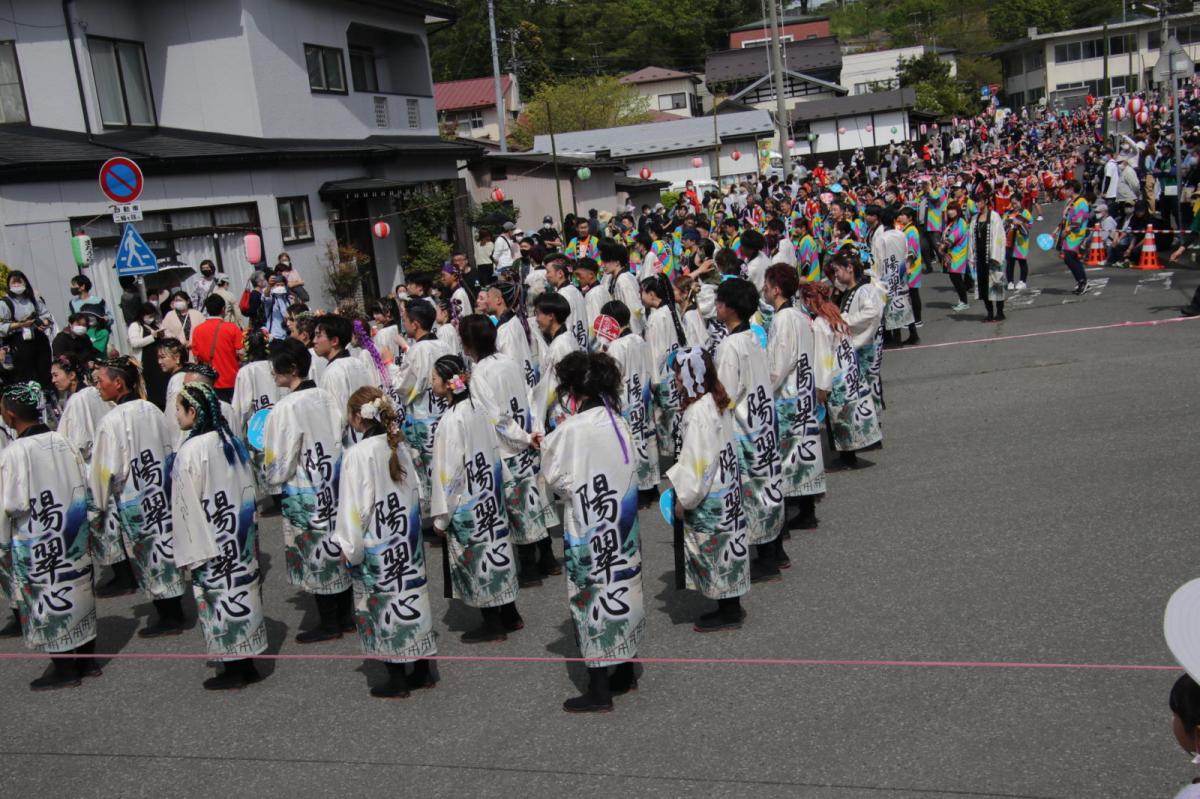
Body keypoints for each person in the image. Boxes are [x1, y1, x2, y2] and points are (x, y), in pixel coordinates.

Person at [541, 351, 645, 712]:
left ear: (572, 389)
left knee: (592, 595)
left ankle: (599, 687)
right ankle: (626, 669)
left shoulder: (569, 430)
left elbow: (554, 479)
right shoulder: (619, 421)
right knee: (623, 585)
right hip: (621, 522)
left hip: (588, 524)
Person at [329, 387, 436, 698]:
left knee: (382, 603)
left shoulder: (357, 454)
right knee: (412, 595)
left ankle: (396, 677)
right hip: (405, 536)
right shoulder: (397, 445)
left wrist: (349, 547)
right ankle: (421, 669)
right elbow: (418, 490)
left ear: (356, 419)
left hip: (379, 542)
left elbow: (353, 507)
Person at [0, 381, 99, 690]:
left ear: (9, 413)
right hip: (70, 533)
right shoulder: (62, 440)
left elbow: (10, 505)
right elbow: (85, 483)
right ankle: (87, 660)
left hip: (38, 539)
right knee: (78, 589)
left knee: (48, 598)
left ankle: (65, 669)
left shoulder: (15, 452)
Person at [171, 382, 267, 690]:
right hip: (237, 534)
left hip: (211, 538)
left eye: (178, 408)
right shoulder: (231, 441)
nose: (175, 415)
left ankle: (233, 668)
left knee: (219, 599)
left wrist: (188, 551)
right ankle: (248, 662)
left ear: (193, 412)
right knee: (243, 592)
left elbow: (185, 506)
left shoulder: (191, 450)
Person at [261, 338, 352, 643]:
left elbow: (279, 461)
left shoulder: (286, 407)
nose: (273, 374)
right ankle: (344, 615)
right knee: (338, 542)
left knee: (316, 550)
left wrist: (270, 471)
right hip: (333, 479)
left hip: (305, 486)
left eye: (277, 368)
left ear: (292, 368)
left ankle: (329, 622)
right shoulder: (325, 396)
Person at [90, 356, 187, 635]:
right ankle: (174, 607)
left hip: (136, 497)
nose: (98, 386)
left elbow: (101, 471)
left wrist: (96, 504)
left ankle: (168, 615)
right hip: (161, 490)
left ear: (118, 383)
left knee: (148, 550)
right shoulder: (151, 409)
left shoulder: (112, 420)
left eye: (101, 381)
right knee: (166, 546)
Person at [429, 354, 522, 642]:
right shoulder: (478, 408)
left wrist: (442, 517)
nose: (431, 383)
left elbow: (450, 472)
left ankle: (493, 623)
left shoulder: (451, 420)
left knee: (478, 557)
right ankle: (510, 614)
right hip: (488, 493)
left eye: (433, 379)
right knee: (497, 551)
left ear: (447, 384)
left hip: (468, 501)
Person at [458, 315, 557, 587]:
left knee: (518, 506)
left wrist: (522, 435)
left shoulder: (479, 374)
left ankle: (529, 565)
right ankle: (547, 556)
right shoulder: (509, 362)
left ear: (468, 344)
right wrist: (532, 432)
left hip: (507, 446)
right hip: (527, 438)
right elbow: (529, 395)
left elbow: (495, 417)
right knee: (534, 498)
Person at [666, 347, 749, 632]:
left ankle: (728, 611)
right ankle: (731, 605)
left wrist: (683, 500)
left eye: (679, 374)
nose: (676, 380)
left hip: (710, 492)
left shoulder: (698, 411)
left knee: (713, 549)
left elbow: (696, 462)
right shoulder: (716, 398)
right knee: (728, 547)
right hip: (726, 486)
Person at [714, 278, 785, 582]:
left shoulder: (730, 345)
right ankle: (776, 551)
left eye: (718, 302)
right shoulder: (752, 336)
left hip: (744, 427)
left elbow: (726, 394)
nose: (715, 307)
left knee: (753, 492)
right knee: (767, 487)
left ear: (729, 308)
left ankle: (766, 559)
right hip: (763, 420)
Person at [764, 264, 824, 532]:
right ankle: (806, 509)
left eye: (766, 285)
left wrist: (765, 387)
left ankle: (791, 511)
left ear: (776, 289)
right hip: (803, 390)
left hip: (788, 395)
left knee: (787, 453)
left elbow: (779, 363)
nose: (763, 290)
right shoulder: (799, 316)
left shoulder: (783, 318)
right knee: (802, 450)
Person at [805, 282, 881, 470]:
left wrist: (821, 387)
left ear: (809, 300)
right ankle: (850, 455)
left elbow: (823, 358)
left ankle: (847, 458)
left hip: (836, 375)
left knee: (839, 417)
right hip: (849, 370)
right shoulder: (835, 314)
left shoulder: (821, 323)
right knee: (848, 414)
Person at [595, 301, 658, 502]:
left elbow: (611, 378)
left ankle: (636, 488)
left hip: (625, 399)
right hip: (642, 394)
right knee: (645, 438)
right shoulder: (638, 339)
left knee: (629, 442)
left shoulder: (616, 346)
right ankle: (649, 485)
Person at [392, 300, 451, 509]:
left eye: (405, 320)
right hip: (445, 409)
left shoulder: (417, 350)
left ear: (415, 324)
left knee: (430, 464)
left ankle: (438, 511)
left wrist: (391, 366)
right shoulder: (443, 344)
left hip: (423, 416)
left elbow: (402, 385)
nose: (403, 324)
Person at [642, 274, 686, 461]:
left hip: (664, 375)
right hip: (677, 371)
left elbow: (655, 353)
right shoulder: (671, 309)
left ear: (652, 294)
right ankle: (681, 453)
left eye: (642, 293)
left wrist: (654, 380)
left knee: (668, 419)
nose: (640, 297)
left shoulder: (656, 317)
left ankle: (676, 456)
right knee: (679, 414)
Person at [313, 315, 374, 447]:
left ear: (334, 341)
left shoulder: (333, 372)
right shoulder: (357, 362)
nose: (314, 341)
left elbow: (337, 419)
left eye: (318, 336)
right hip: (370, 433)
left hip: (352, 443)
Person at [532, 292, 582, 433]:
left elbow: (555, 385)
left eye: (537, 314)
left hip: (564, 413)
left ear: (550, 316)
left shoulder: (560, 345)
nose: (536, 319)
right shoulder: (567, 338)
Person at [52, 354, 112, 464]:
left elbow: (80, 442)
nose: (53, 380)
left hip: (92, 462)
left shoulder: (77, 399)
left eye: (56, 375)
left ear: (72, 375)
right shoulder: (94, 391)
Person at [868, 207, 914, 346]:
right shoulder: (901, 234)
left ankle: (896, 338)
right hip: (900, 273)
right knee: (903, 302)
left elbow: (877, 259)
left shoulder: (881, 238)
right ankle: (909, 334)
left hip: (887, 275)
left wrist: (874, 277)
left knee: (890, 305)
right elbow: (906, 253)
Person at [0, 270, 53, 390]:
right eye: (14, 283)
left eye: (20, 282)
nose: (17, 286)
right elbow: (1, 327)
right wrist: (20, 324)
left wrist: (43, 323)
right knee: (24, 375)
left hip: (38, 338)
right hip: (18, 341)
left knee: (44, 373)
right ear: (8, 285)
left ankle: (47, 396)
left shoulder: (33, 300)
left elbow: (47, 316)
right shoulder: (5, 303)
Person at [189, 295, 242, 402]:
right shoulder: (232, 328)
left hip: (210, 381)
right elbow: (241, 353)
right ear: (223, 309)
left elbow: (196, 358)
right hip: (231, 379)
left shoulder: (197, 330)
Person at [968, 190, 1008, 322]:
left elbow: (999, 237)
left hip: (992, 256)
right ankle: (989, 312)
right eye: (976, 202)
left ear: (985, 202)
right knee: (984, 286)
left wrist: (996, 255)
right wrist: (972, 256)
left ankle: (1000, 312)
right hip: (979, 257)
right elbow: (971, 238)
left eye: (979, 201)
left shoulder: (994, 216)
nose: (977, 204)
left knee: (996, 283)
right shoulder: (974, 219)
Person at [600, 240, 644, 337]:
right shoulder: (615, 278)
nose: (603, 265)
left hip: (631, 333)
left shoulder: (624, 280)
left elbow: (633, 308)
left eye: (606, 261)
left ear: (617, 262)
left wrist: (635, 335)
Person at [544, 255, 587, 350]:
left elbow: (564, 325)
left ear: (560, 274)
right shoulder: (575, 291)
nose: (546, 276)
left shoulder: (562, 295)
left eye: (548, 272)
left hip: (568, 349)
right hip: (580, 346)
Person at [1059, 180, 1091, 295]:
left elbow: (1078, 220)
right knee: (1072, 258)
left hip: (1076, 234)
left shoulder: (1081, 202)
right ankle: (1082, 280)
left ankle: (1082, 281)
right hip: (1070, 234)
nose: (1064, 191)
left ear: (1072, 189)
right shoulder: (1071, 202)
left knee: (1069, 257)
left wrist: (1067, 230)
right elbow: (1067, 218)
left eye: (1066, 189)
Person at [158, 337, 189, 444]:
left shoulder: (178, 380)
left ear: (176, 357)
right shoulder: (184, 374)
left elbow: (173, 415)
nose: (159, 362)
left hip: (180, 438)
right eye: (158, 358)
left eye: (163, 357)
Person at [941, 202, 971, 311]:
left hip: (959, 254)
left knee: (957, 279)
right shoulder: (952, 223)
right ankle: (962, 300)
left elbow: (955, 235)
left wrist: (945, 244)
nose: (949, 212)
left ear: (958, 210)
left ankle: (964, 301)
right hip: (952, 254)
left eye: (952, 209)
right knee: (954, 278)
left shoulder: (961, 222)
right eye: (948, 209)